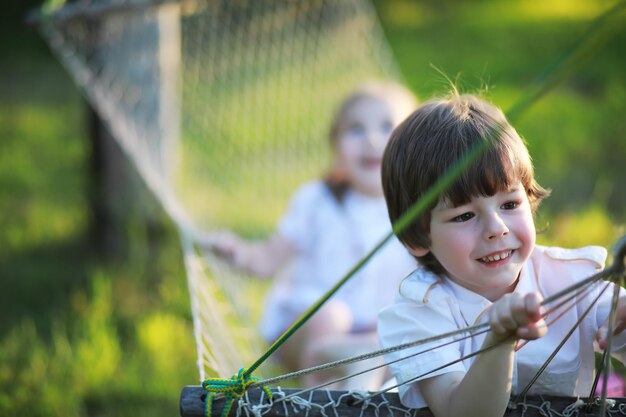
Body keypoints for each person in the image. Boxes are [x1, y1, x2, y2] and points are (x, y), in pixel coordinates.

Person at [377, 92, 626, 417]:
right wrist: (499, 341)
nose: (496, 228)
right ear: (417, 238)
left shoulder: (573, 279)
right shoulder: (416, 316)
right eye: (464, 216)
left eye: (509, 205)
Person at [199, 81, 419, 390]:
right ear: (335, 146)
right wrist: (236, 251)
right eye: (355, 130)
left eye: (386, 127)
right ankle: (317, 404)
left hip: (376, 338)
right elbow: (266, 260)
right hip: (307, 332)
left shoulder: (418, 209)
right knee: (330, 315)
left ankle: (360, 392)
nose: (371, 139)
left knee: (408, 334)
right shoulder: (316, 201)